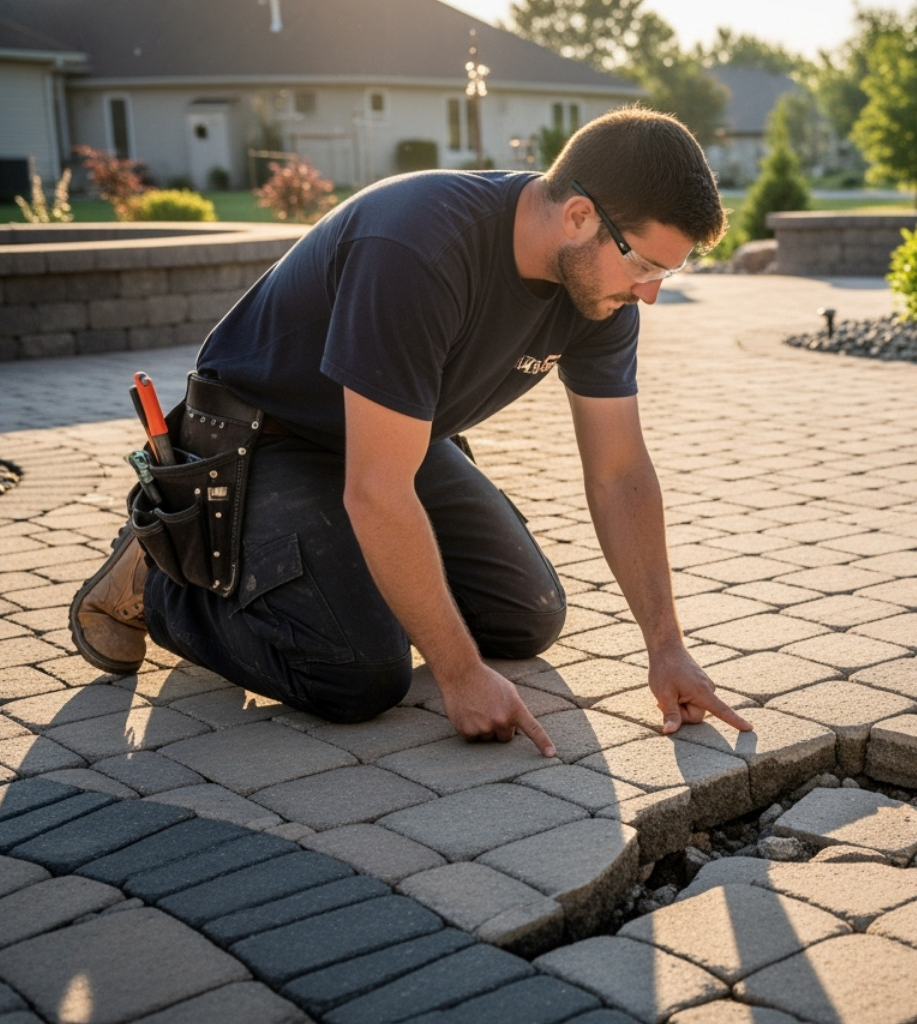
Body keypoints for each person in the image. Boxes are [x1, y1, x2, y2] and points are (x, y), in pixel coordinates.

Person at [69, 108, 752, 757]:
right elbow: (375, 489)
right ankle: (163, 571)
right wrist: (458, 675)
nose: (652, 292)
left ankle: (336, 575)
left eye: (669, 271)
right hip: (265, 437)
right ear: (579, 217)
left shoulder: (602, 295)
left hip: (396, 436)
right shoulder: (417, 246)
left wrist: (665, 645)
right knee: (358, 673)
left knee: (530, 616)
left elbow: (620, 471)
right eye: (646, 266)